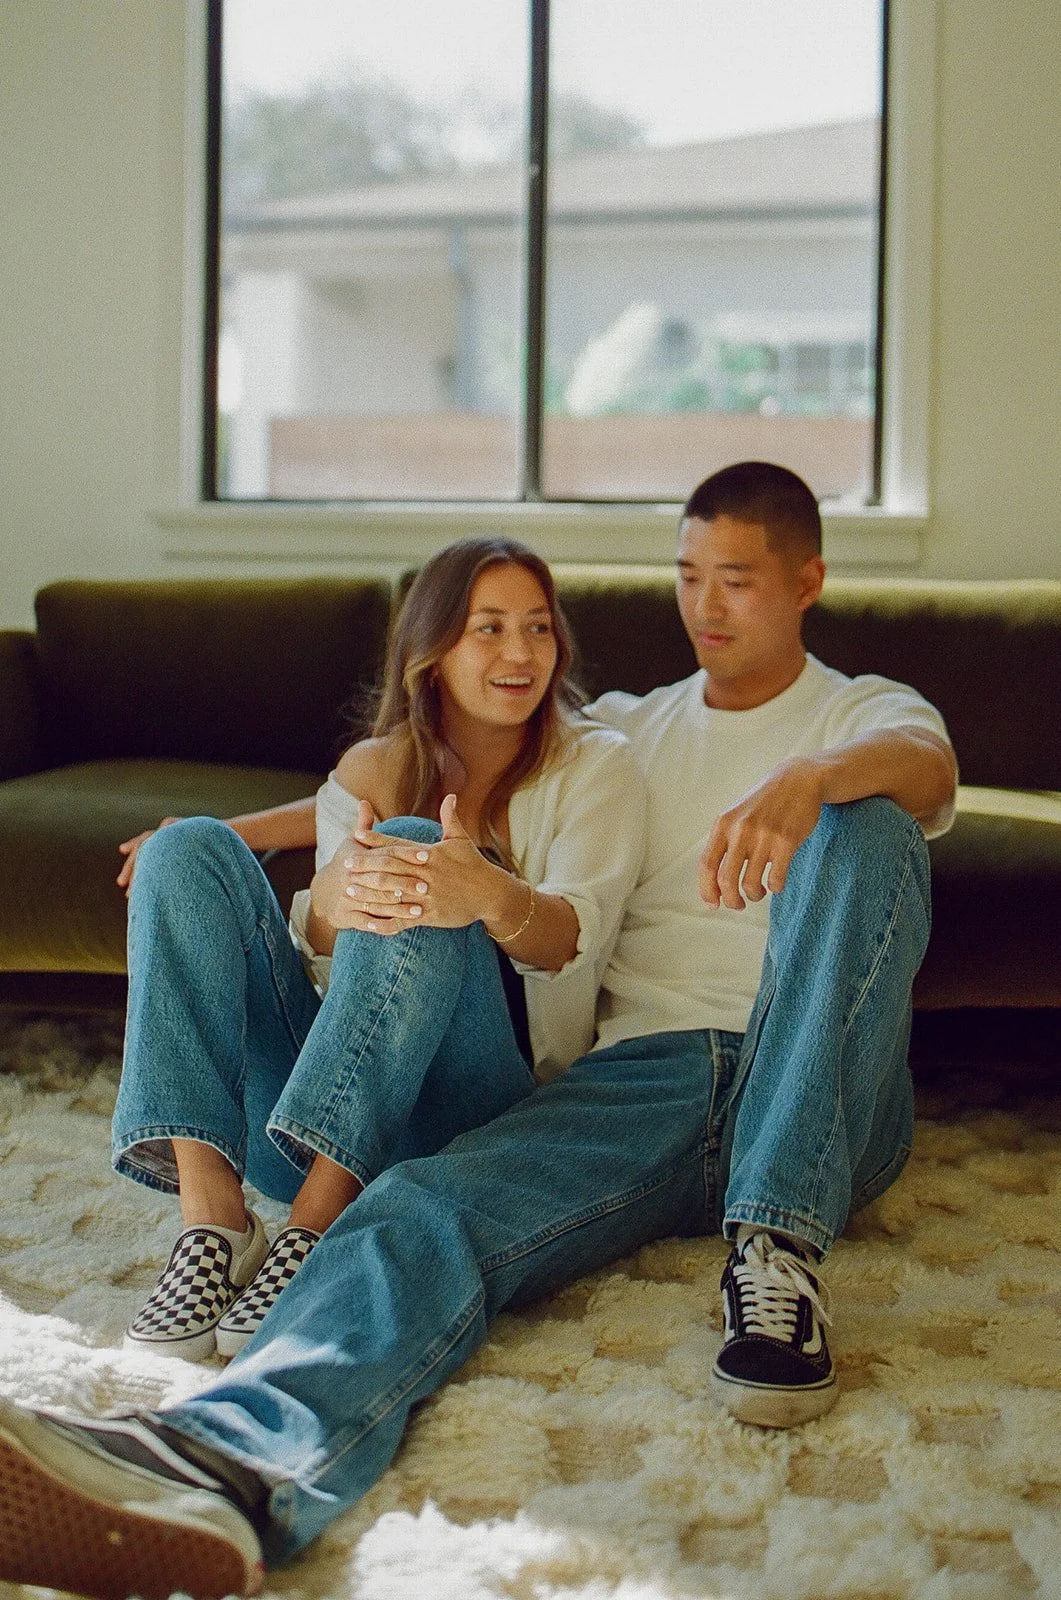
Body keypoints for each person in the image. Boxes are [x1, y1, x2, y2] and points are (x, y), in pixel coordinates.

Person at [0, 463, 958, 1600]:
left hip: (826, 1079)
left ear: (805, 580)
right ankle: (225, 1468)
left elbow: (930, 770)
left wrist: (808, 779)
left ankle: (778, 1249)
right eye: (687, 576)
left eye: (736, 580)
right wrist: (233, 836)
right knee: (421, 1202)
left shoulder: (860, 711)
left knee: (867, 830)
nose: (704, 605)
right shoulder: (630, 727)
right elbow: (451, 761)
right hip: (654, 1078)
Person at [107, 535, 647, 1364]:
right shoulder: (371, 764)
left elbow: (572, 940)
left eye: (538, 628)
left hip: (471, 1121)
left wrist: (484, 891)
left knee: (408, 843)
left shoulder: (595, 766)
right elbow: (322, 955)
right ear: (432, 651)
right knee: (185, 848)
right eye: (489, 628)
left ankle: (315, 1231)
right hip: (308, 1126)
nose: (520, 653)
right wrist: (327, 900)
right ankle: (213, 1220)